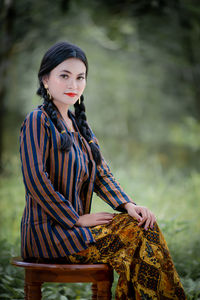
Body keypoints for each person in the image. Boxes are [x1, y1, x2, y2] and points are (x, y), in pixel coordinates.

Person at [19, 41, 186, 299]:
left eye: (80, 77)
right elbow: (34, 179)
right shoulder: (37, 121)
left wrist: (129, 205)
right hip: (50, 235)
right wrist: (75, 219)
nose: (73, 85)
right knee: (136, 233)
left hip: (74, 232)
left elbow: (102, 175)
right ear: (45, 80)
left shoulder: (79, 126)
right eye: (64, 76)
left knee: (143, 224)